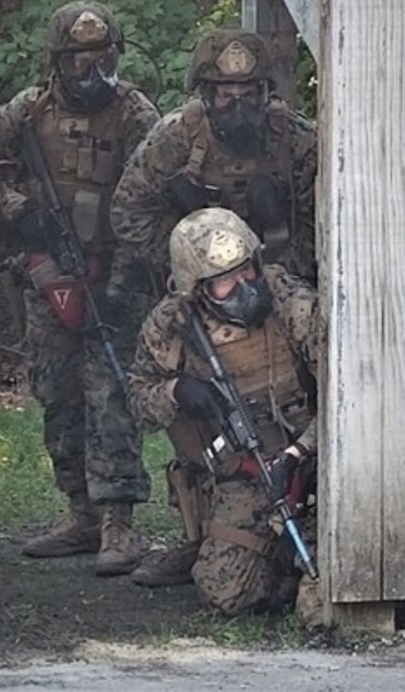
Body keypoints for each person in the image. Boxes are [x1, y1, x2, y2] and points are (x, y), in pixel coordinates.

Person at [0, 1, 160, 575]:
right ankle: (81, 513)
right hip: (46, 273)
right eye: (80, 58)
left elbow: (152, 193)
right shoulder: (26, 113)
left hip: (115, 273)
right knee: (57, 393)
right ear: (58, 60)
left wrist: (127, 275)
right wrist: (18, 211)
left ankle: (119, 520)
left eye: (104, 55)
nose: (94, 68)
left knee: (113, 396)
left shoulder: (135, 114)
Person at [126, 207, 321, 623]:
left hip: (318, 458)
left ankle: (308, 545)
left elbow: (350, 393)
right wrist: (176, 390)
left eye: (245, 270)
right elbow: (136, 399)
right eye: (223, 281)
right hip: (246, 473)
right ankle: (280, 563)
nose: (243, 287)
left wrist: (300, 453)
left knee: (318, 604)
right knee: (226, 593)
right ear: (196, 289)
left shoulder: (294, 305)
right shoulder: (171, 324)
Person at [110, 28, 317, 285]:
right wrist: (184, 261)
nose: (238, 107)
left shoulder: (297, 140)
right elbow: (129, 211)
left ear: (265, 94)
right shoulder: (176, 137)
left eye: (248, 95)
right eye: (226, 96)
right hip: (197, 283)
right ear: (207, 97)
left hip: (278, 278)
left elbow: (322, 224)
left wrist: (278, 271)